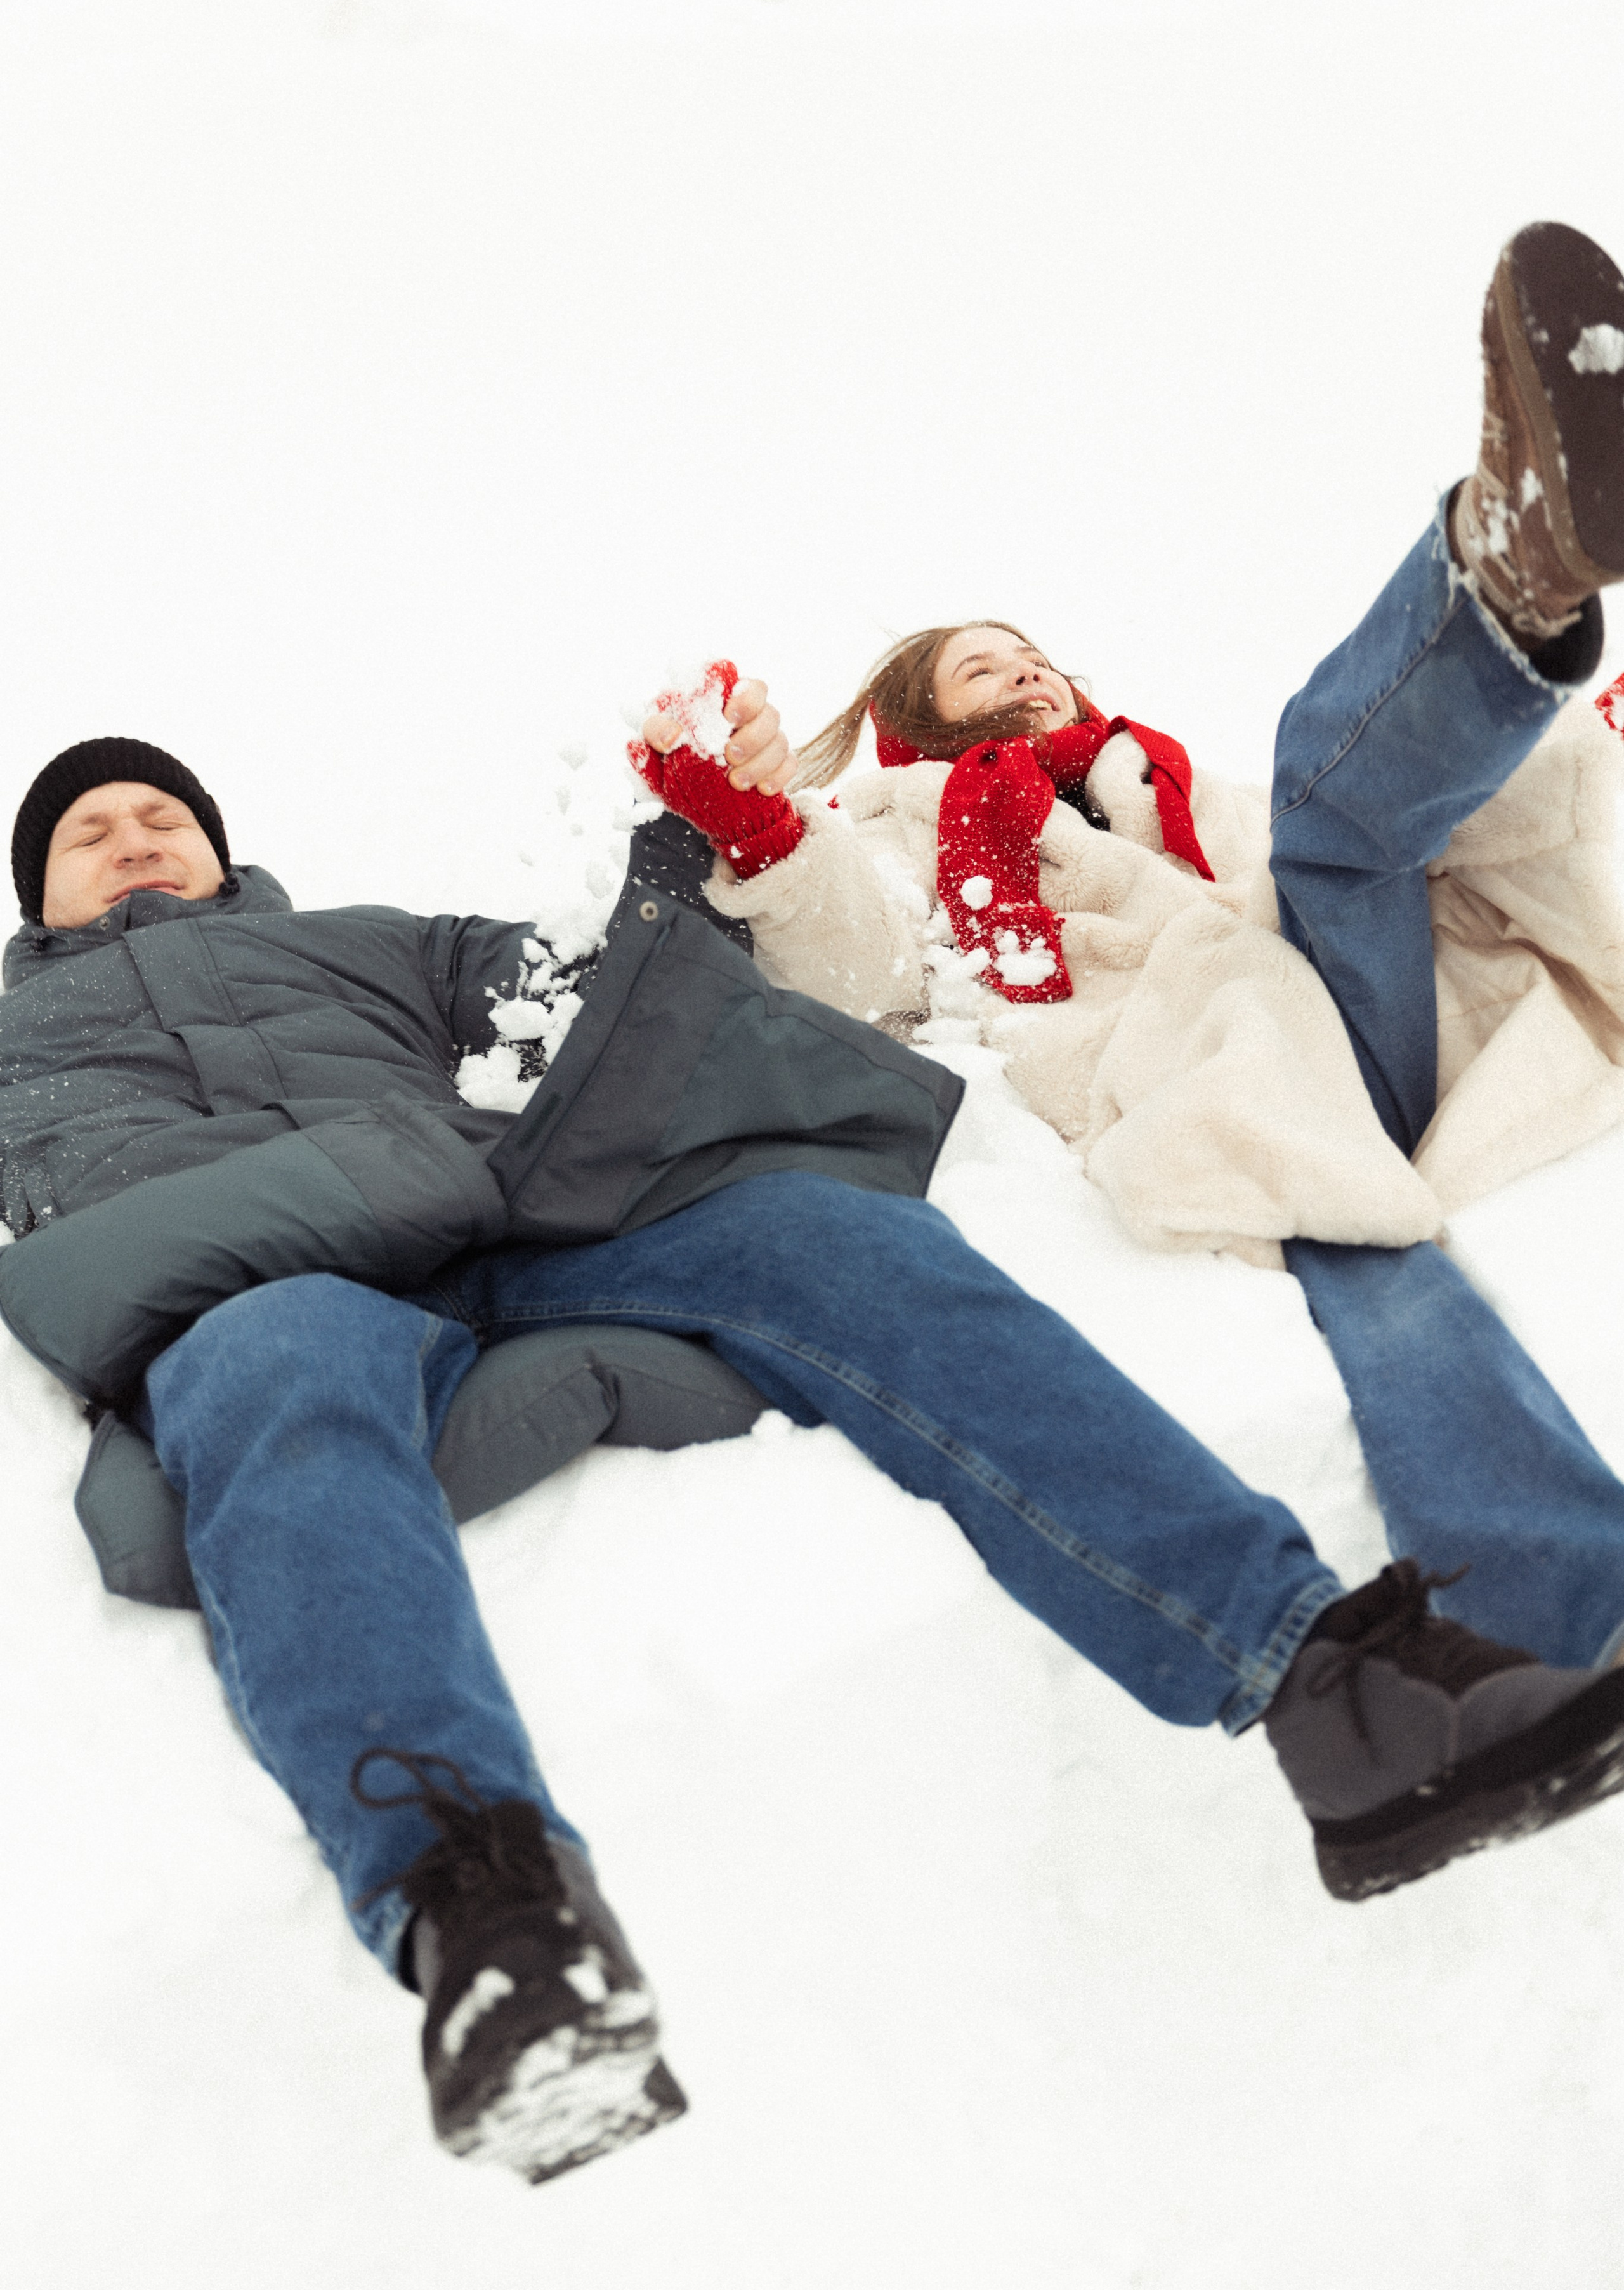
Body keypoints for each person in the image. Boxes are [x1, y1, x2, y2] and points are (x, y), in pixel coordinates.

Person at [6, 233, 1624, 2202]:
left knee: (843, 1246)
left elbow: (596, 990)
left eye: (157, 808)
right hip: (273, 1282)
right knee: (266, 1378)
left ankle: (1329, 1682)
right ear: (43, 897)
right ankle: (490, 1927)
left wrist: (699, 846)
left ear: (220, 842)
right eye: (89, 828)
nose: (134, 832)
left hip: (533, 1220)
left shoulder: (372, 943)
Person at [637, 217, 1624, 1683]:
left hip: (1361, 997)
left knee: (1336, 800)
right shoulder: (907, 821)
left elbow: (1352, 822)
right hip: (1219, 1059)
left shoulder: (1157, 776)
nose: (1028, 668)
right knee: (1359, 1180)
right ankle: (1561, 1599)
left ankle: (1520, 568)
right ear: (919, 725)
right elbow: (871, 971)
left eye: (1034, 652)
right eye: (986, 665)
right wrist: (761, 833)